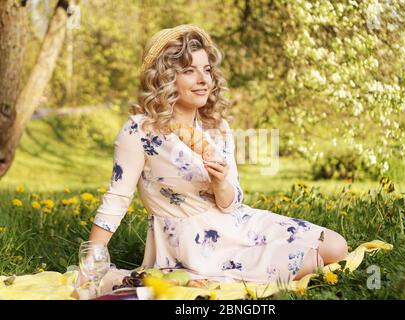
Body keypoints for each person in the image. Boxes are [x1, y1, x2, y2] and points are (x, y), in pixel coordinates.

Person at [80, 24, 348, 295]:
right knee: (310, 261)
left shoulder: (217, 127)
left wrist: (220, 183)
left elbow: (232, 202)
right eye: (189, 71)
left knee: (336, 246)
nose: (203, 80)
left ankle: (251, 263)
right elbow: (117, 197)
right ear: (164, 78)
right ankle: (163, 276)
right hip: (194, 245)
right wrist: (91, 260)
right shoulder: (140, 130)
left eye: (206, 70)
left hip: (238, 223)